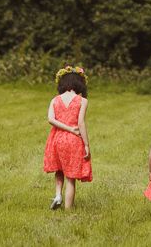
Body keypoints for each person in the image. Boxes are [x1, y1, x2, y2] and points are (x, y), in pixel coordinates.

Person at [43, 65, 92, 210]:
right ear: (79, 84)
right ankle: (68, 210)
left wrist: (64, 127)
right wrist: (86, 144)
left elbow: (50, 119)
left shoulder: (55, 100)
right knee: (71, 177)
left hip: (56, 139)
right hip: (73, 140)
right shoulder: (82, 101)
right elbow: (80, 123)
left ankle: (58, 195)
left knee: (59, 169)